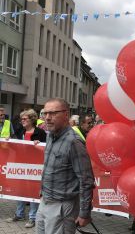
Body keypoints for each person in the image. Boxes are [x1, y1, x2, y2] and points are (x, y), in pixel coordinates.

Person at [36, 98, 95, 234]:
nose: (48, 118)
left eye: (53, 113)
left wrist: (84, 213)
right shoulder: (51, 135)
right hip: (45, 201)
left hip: (62, 207)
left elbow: (86, 180)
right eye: (45, 113)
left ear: (66, 115)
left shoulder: (74, 142)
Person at [6, 109, 46, 228]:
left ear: (32, 119)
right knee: (20, 189)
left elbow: (46, 149)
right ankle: (19, 214)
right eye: (21, 119)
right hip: (21, 164)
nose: (22, 121)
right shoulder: (19, 131)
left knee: (33, 190)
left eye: (24, 119)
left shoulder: (40, 132)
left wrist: (39, 145)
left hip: (34, 166)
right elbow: (16, 147)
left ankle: (33, 217)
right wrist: (10, 142)